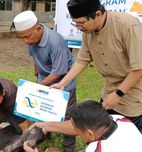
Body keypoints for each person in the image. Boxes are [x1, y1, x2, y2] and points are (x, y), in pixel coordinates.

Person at [51, 0, 142, 134]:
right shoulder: (88, 30)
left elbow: (139, 68)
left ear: (98, 14)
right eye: (76, 24)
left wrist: (118, 94)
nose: (79, 28)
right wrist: (62, 83)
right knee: (103, 134)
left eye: (81, 23)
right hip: (108, 92)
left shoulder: (128, 26)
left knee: (128, 137)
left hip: (133, 95)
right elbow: (82, 60)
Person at [13, 10, 77, 152]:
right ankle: (44, 136)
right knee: (43, 113)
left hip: (63, 84)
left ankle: (68, 148)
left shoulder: (55, 41)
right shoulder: (31, 38)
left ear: (38, 28)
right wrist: (37, 73)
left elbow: (59, 72)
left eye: (27, 36)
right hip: (44, 80)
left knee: (67, 117)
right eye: (22, 38)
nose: (26, 41)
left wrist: (35, 87)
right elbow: (35, 56)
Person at [24, 100, 142, 152]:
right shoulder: (120, 120)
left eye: (77, 131)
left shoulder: (97, 149)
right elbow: (79, 127)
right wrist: (46, 125)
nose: (76, 132)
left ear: (90, 133)